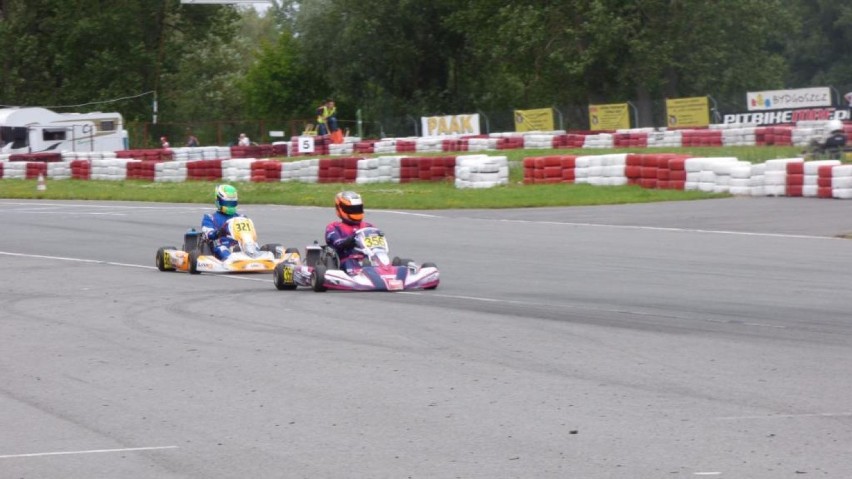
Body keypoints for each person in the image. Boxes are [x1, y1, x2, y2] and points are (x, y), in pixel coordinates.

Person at [325, 191, 373, 275]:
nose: (355, 212)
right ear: (340, 208)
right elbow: (337, 243)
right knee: (350, 263)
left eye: (358, 208)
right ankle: (361, 274)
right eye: (352, 209)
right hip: (346, 260)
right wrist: (352, 239)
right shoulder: (334, 227)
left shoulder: (369, 226)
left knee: (380, 263)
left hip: (368, 259)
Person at [201, 184, 244, 260]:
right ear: (218, 201)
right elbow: (208, 234)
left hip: (240, 245)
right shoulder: (210, 218)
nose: (230, 206)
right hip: (221, 245)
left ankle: (253, 256)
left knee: (254, 245)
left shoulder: (241, 217)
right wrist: (218, 233)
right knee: (222, 249)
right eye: (227, 203)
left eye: (232, 203)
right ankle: (230, 259)